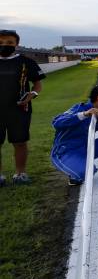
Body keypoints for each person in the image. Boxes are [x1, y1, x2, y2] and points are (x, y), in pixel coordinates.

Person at [0, 29, 45, 186]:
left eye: (9, 42)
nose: (4, 45)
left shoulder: (26, 62)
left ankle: (20, 173)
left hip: (19, 110)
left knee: (20, 142)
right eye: (1, 42)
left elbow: (38, 84)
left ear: (16, 44)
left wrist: (32, 94)